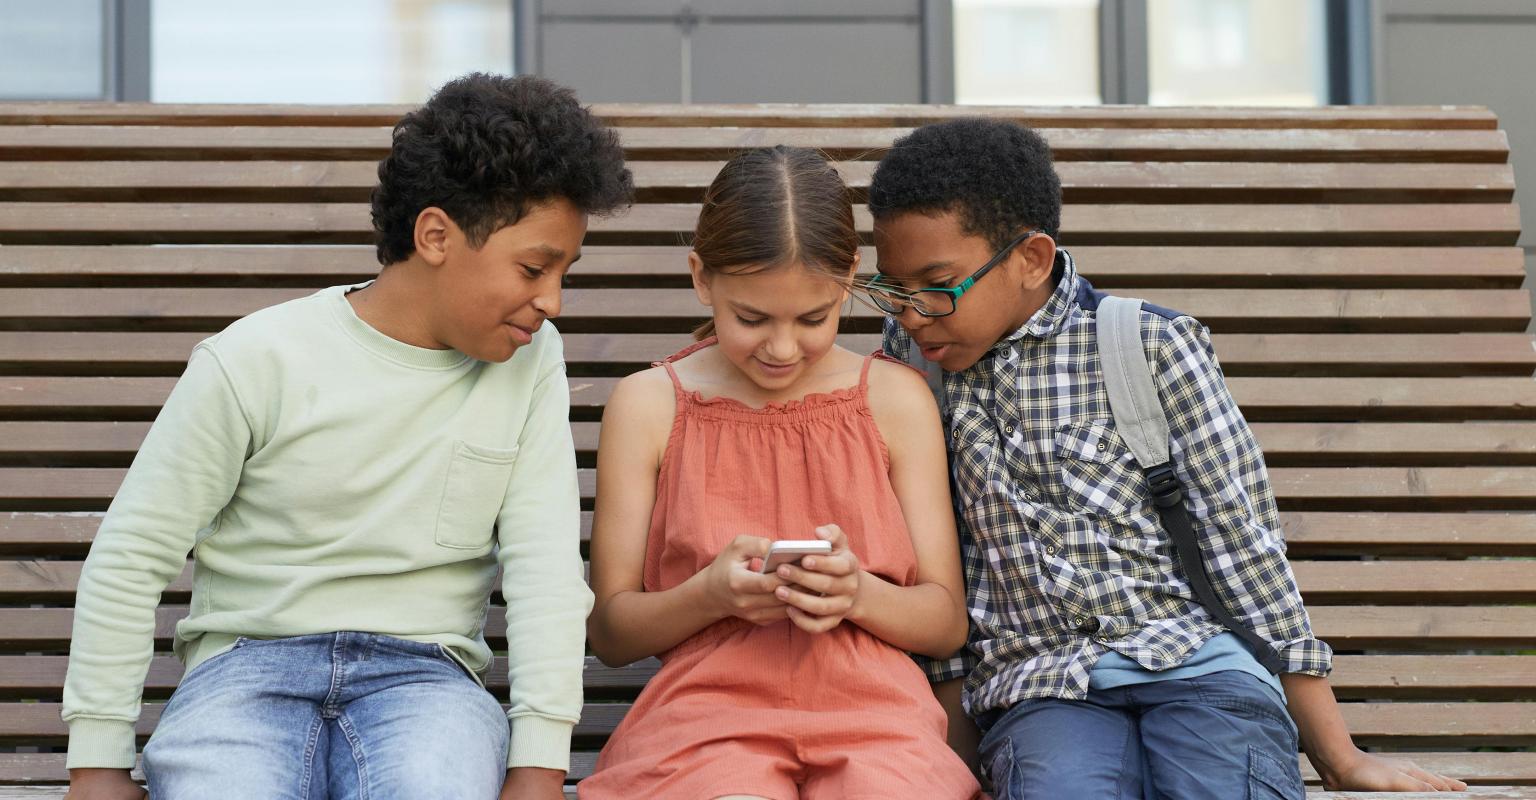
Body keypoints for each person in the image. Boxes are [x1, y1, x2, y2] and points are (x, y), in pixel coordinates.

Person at [61, 73, 632, 800]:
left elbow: (545, 572)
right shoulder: (256, 359)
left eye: (564, 272)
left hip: (427, 680)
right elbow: (131, 553)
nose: (551, 302)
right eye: (534, 267)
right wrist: (98, 762)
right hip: (246, 672)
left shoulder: (528, 363)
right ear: (435, 236)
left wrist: (540, 765)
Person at [863, 117, 1469, 799]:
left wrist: (1339, 754)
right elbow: (934, 567)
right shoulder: (910, 375)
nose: (913, 314)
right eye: (894, 289)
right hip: (1044, 689)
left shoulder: (1148, 346)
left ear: (1031, 259)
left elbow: (1243, 546)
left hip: (1201, 667)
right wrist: (958, 758)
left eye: (937, 286)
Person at [581, 145, 980, 800]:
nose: (782, 347)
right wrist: (708, 595)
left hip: (875, 715)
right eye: (751, 318)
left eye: (815, 318)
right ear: (702, 279)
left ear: (850, 278)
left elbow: (944, 621)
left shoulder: (893, 398)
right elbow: (613, 632)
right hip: (707, 716)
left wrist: (857, 593)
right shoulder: (650, 405)